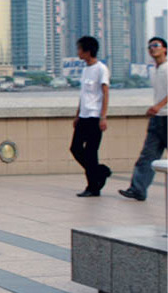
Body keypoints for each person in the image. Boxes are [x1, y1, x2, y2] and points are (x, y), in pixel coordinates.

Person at [119, 36, 167, 201]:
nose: (152, 48)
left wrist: (158, 106)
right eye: (150, 47)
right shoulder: (154, 70)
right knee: (147, 155)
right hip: (157, 120)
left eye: (156, 45)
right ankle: (138, 189)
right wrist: (156, 109)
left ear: (164, 49)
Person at [71, 35, 111, 197]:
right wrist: (77, 114)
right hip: (83, 116)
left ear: (88, 51)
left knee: (91, 152)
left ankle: (93, 187)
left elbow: (105, 93)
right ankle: (100, 172)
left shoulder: (101, 69)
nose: (78, 52)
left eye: (80, 49)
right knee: (75, 148)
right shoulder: (85, 69)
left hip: (95, 117)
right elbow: (83, 95)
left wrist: (103, 116)